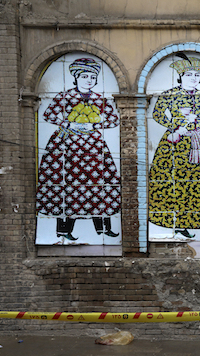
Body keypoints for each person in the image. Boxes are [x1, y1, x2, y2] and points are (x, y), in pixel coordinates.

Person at [36, 57, 121, 241]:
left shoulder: (100, 98)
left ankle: (103, 228)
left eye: (92, 77)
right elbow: (49, 114)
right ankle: (63, 230)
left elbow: (114, 120)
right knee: (67, 186)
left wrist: (97, 125)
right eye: (84, 76)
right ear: (76, 78)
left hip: (94, 147)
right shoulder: (64, 96)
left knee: (100, 185)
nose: (88, 80)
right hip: (68, 146)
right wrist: (67, 124)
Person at [148, 53, 200, 238]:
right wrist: (176, 125)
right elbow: (158, 115)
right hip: (177, 142)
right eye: (188, 75)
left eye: (196, 75)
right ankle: (180, 223)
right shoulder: (169, 95)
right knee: (178, 182)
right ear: (181, 77)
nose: (193, 78)